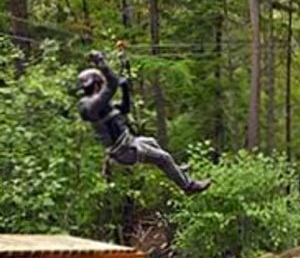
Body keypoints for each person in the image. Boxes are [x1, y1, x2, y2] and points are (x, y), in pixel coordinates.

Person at [77, 50, 210, 195]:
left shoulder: (100, 106)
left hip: (130, 144)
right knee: (164, 158)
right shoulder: (91, 106)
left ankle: (176, 170)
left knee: (152, 142)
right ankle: (188, 186)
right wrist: (101, 63)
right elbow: (112, 84)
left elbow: (125, 109)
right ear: (96, 85)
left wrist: (126, 89)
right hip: (125, 151)